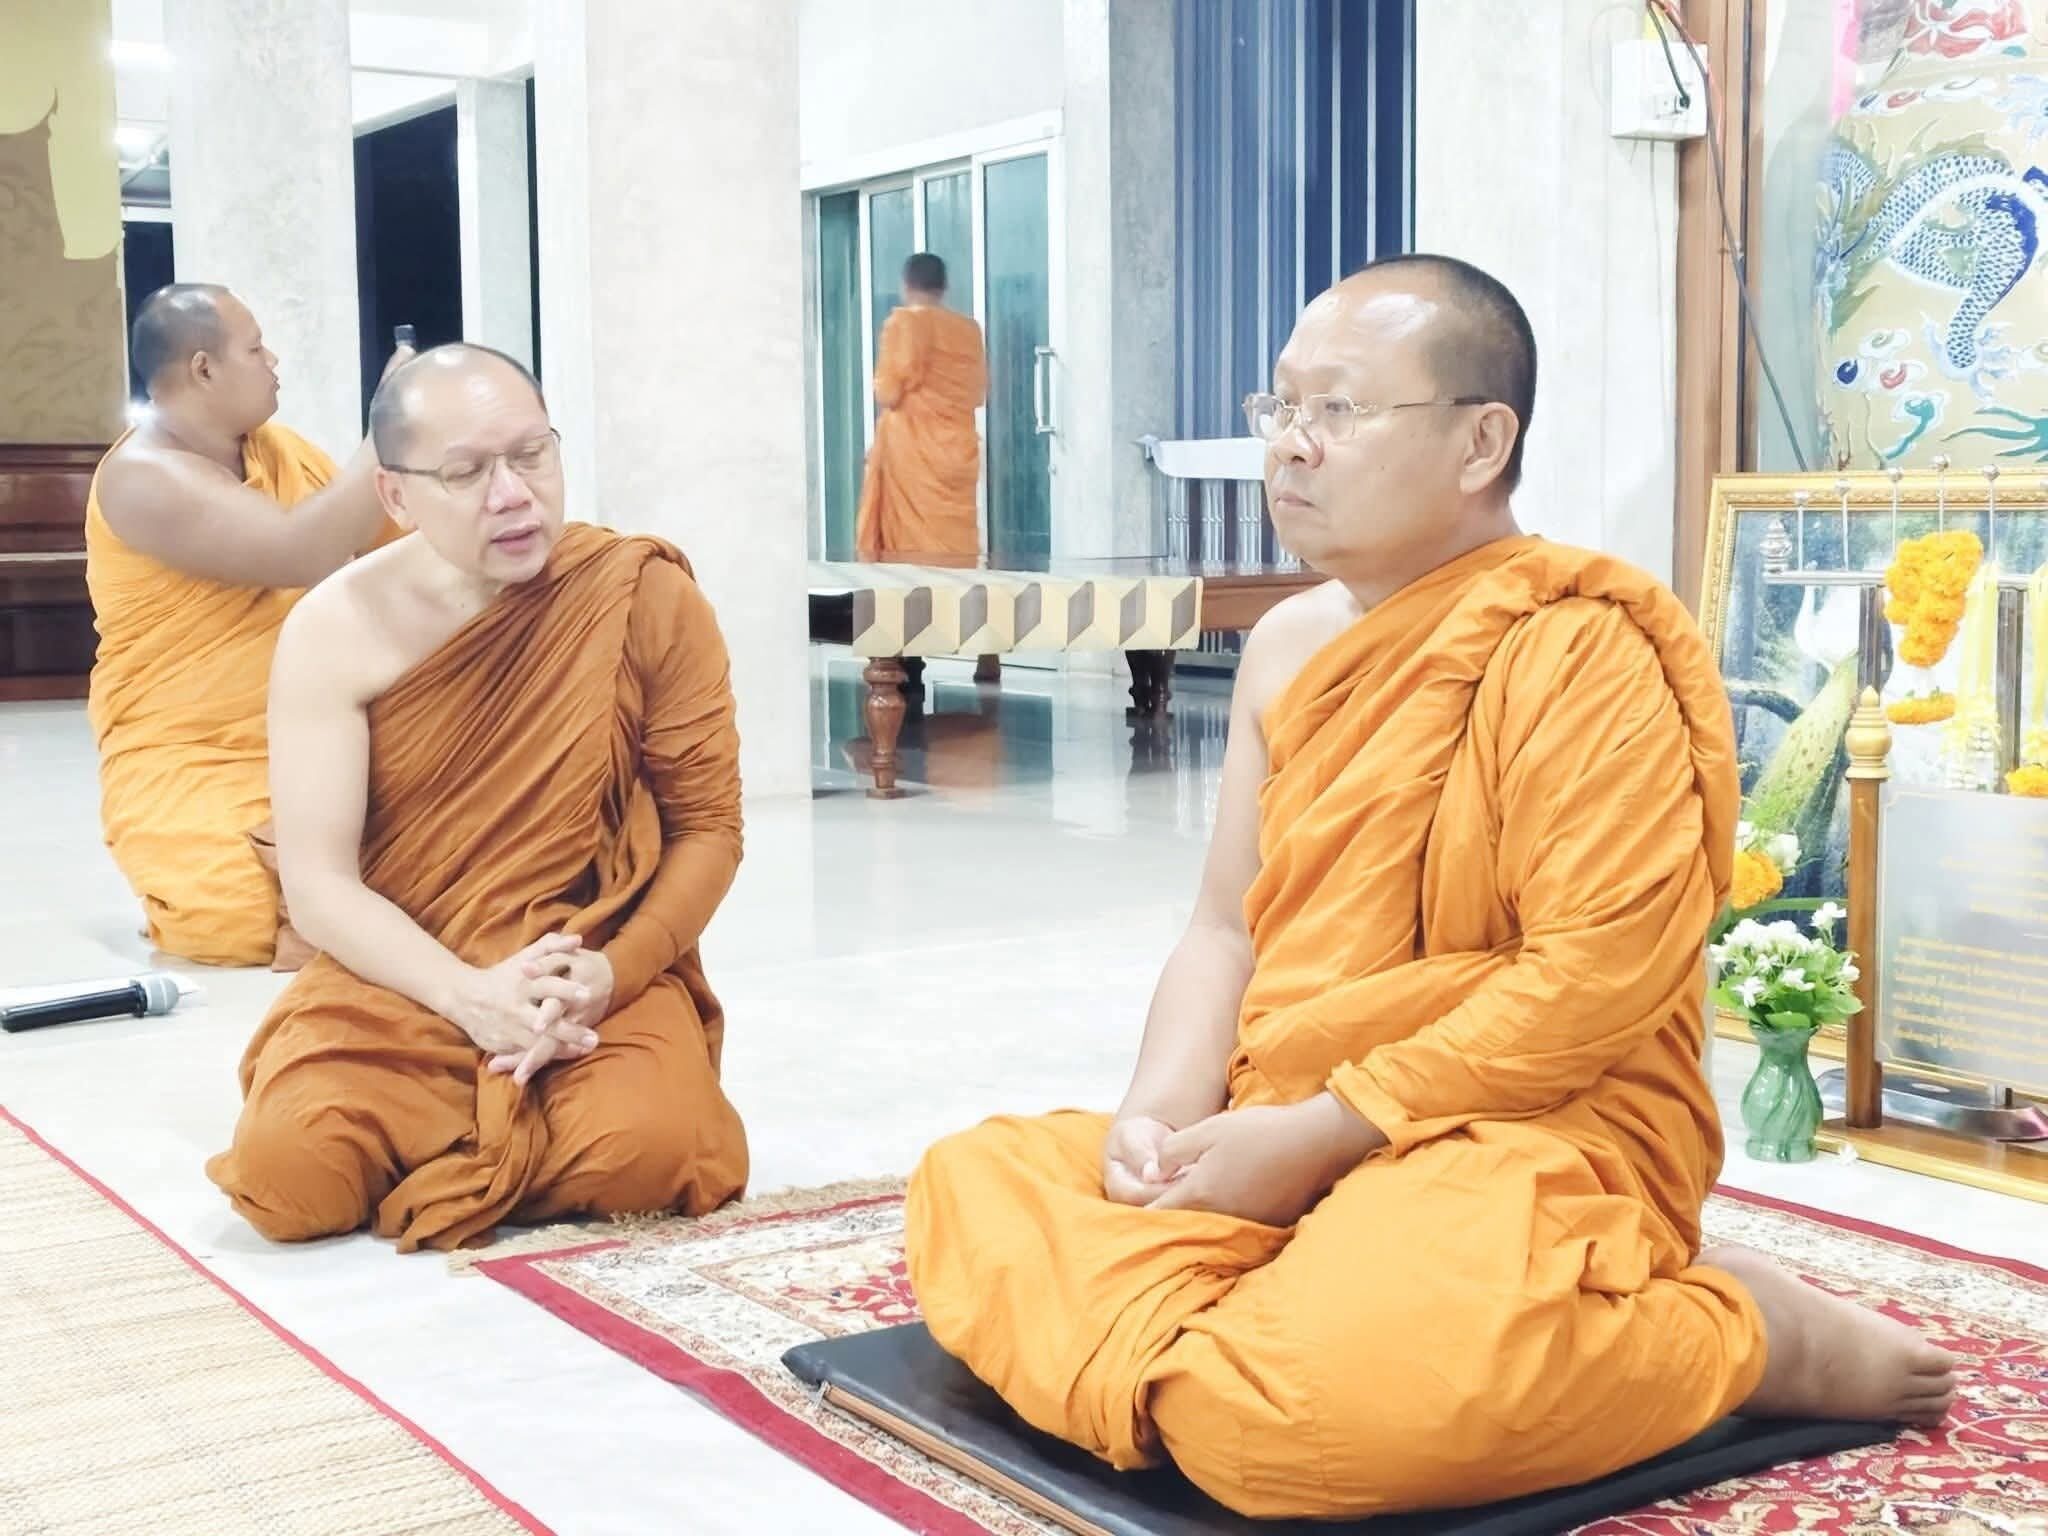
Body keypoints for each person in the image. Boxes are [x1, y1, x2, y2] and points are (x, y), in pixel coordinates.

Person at [904, 256, 1957, 1520]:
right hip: (1287, 1112)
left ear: (1479, 443)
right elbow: (1222, 930)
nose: (1289, 446)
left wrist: (1327, 1131)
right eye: (1279, 406)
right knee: (971, 1185)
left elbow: (1588, 982)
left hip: (1521, 1129)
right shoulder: (1286, 646)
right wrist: (1157, 1120)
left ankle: (1739, 1332)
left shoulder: (1578, 648)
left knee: (1289, 1429)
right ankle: (1395, 1311)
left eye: (1337, 410)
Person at [205, 344, 748, 1252]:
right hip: (406, 970)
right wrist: (467, 995)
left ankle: (478, 1135)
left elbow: (710, 829)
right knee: (289, 1176)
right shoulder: (336, 628)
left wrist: (614, 973)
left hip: (583, 965)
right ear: (395, 496)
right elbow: (320, 885)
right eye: (466, 474)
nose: (513, 495)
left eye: (532, 455)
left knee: (649, 1153)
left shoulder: (639, 597)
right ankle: (496, 1133)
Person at [87, 284, 404, 965]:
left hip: (326, 727)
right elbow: (300, 550)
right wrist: (388, 429)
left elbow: (374, 541)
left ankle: (337, 888)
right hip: (195, 750)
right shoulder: (141, 476)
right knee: (226, 912)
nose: (274, 361)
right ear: (203, 369)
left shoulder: (279, 450)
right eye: (256, 349)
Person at [855, 253, 987, 564]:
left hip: (912, 454)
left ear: (905, 285)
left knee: (909, 557)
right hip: (956, 451)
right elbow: (977, 391)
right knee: (953, 550)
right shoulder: (969, 331)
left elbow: (888, 392)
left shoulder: (905, 324)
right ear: (945, 287)